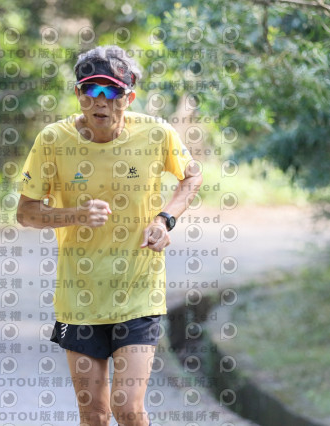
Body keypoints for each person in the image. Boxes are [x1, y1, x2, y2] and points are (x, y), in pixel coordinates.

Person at [17, 45, 202, 425]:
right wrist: (76, 214)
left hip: (138, 291)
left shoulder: (155, 134)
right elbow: (26, 212)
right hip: (79, 297)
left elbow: (192, 176)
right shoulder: (53, 141)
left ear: (129, 97)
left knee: (127, 407)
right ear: (78, 94)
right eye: (91, 89)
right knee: (95, 415)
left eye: (112, 91)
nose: (100, 100)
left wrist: (164, 219)